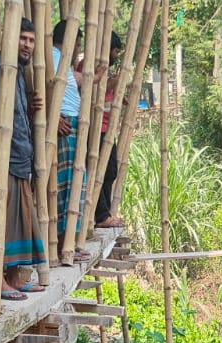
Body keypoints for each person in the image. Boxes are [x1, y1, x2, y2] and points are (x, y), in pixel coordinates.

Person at [0, 20, 46, 297]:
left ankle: (12, 277)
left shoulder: (16, 71)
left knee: (17, 221)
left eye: (31, 40)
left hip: (18, 155)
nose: (27, 45)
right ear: (8, 37)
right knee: (2, 222)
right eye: (22, 39)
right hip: (0, 156)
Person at [50, 19, 91, 262]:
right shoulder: (55, 57)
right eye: (78, 43)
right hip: (65, 123)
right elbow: (46, 88)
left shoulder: (59, 59)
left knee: (73, 183)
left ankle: (68, 243)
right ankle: (62, 244)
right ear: (72, 42)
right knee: (66, 186)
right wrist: (54, 117)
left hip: (68, 122)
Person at [93, 31, 125, 228]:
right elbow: (96, 90)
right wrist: (117, 80)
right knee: (102, 171)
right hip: (97, 128)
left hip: (106, 128)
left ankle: (104, 214)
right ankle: (101, 216)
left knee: (110, 170)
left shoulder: (107, 72)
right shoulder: (94, 69)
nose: (116, 56)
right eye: (115, 51)